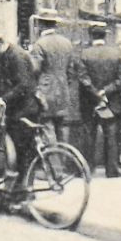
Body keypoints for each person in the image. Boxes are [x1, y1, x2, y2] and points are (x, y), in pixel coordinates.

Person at [0, 29, 42, 180]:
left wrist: (3, 99)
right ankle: (13, 184)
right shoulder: (3, 55)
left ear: (0, 45)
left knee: (22, 151)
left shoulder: (17, 57)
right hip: (17, 108)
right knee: (13, 146)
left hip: (25, 109)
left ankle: (24, 190)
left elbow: (23, 86)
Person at [78, 23, 121, 177]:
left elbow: (83, 78)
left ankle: (87, 170)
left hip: (90, 102)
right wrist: (106, 91)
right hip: (111, 101)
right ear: (105, 36)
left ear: (91, 36)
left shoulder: (84, 54)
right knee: (111, 135)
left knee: (89, 135)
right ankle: (112, 170)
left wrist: (96, 93)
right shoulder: (117, 53)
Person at [30, 9, 82, 147]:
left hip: (46, 92)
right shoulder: (67, 43)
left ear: (41, 25)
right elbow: (71, 71)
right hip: (63, 91)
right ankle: (63, 159)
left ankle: (54, 164)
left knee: (47, 127)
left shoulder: (39, 44)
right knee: (61, 128)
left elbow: (35, 69)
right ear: (55, 25)